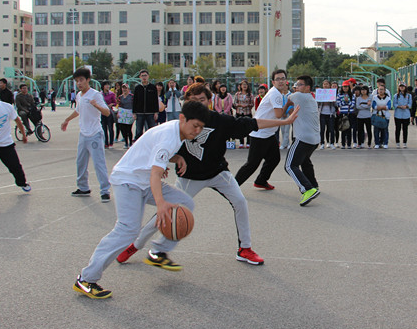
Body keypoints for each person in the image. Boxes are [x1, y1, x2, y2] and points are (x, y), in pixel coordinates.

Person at [117, 83, 299, 269]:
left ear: (210, 102)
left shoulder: (220, 120)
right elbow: (157, 147)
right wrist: (165, 163)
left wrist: (284, 122)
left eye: (202, 100)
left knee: (240, 202)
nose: (199, 104)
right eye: (194, 101)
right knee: (167, 211)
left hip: (218, 172)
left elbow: (254, 123)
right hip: (189, 176)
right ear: (186, 103)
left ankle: (245, 248)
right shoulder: (179, 125)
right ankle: (136, 245)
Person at [73, 100, 210, 299]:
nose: (197, 131)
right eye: (195, 125)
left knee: (186, 203)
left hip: (143, 180)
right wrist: (161, 203)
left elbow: (152, 152)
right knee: (127, 230)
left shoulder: (177, 131)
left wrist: (176, 158)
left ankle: (159, 251)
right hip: (129, 181)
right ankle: (86, 279)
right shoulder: (169, 137)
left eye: (201, 128)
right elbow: (156, 174)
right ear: (183, 118)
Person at [61, 67, 112, 203]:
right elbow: (78, 110)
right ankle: (83, 188)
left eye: (81, 80)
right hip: (83, 134)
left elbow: (107, 112)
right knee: (80, 162)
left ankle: (105, 191)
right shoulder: (79, 95)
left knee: (98, 163)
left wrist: (96, 106)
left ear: (88, 80)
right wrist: (67, 119)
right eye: (77, 81)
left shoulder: (95, 94)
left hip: (95, 134)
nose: (79, 83)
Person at [234, 70, 288, 189]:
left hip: (269, 133)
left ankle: (261, 181)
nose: (281, 81)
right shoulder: (275, 94)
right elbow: (279, 114)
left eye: (283, 78)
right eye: (278, 79)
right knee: (252, 164)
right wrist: (289, 105)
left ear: (286, 81)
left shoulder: (277, 93)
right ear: (273, 82)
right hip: (260, 133)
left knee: (274, 159)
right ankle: (233, 187)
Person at [283, 75, 321, 205]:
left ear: (307, 87)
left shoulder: (299, 96)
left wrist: (287, 104)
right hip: (314, 139)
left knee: (289, 165)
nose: (296, 87)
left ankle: (308, 189)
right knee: (305, 161)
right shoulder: (310, 98)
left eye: (299, 85)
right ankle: (314, 185)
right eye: (296, 84)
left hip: (303, 138)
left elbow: (287, 99)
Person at [132, 69, 159, 139]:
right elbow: (135, 100)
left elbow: (155, 100)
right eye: (142, 76)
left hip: (150, 113)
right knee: (138, 131)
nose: (144, 77)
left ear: (148, 76)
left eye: (145, 75)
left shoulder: (153, 87)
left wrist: (156, 112)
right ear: (140, 77)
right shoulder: (137, 88)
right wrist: (134, 112)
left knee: (151, 130)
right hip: (139, 113)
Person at [233, 80, 254, 149]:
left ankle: (248, 143)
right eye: (243, 84)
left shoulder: (250, 95)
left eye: (246, 84)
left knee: (248, 128)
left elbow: (252, 104)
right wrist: (239, 105)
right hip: (239, 113)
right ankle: (241, 143)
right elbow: (234, 103)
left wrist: (247, 105)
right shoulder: (237, 94)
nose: (244, 86)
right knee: (240, 128)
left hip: (247, 113)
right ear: (240, 86)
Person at [371, 82, 392, 149]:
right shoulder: (375, 98)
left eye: (382, 89)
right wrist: (382, 107)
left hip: (385, 116)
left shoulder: (388, 98)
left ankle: (385, 143)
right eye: (379, 89)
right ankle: (377, 143)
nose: (381, 91)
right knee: (376, 130)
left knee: (385, 130)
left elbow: (388, 107)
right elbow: (374, 106)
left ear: (385, 90)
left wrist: (380, 107)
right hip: (377, 116)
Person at [317, 79, 336, 149]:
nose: (325, 85)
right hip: (322, 113)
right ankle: (322, 143)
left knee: (331, 129)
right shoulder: (320, 92)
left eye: (327, 84)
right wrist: (319, 99)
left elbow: (336, 104)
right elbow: (317, 103)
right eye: (324, 84)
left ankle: (331, 143)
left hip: (330, 113)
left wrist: (334, 101)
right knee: (322, 129)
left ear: (329, 85)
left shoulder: (332, 92)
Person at [336, 80, 355, 149]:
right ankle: (343, 144)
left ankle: (349, 144)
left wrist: (348, 102)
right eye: (344, 87)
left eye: (346, 87)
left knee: (349, 129)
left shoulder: (352, 95)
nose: (345, 88)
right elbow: (338, 104)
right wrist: (345, 102)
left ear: (349, 87)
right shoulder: (339, 95)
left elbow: (353, 105)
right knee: (343, 129)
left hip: (350, 113)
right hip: (342, 113)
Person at [392, 83, 412, 149]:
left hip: (406, 114)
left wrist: (406, 106)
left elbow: (410, 104)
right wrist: (399, 106)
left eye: (403, 86)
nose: (402, 88)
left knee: (405, 129)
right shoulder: (396, 95)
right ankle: (397, 142)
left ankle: (404, 142)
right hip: (398, 114)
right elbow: (394, 104)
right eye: (400, 86)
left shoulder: (409, 95)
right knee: (398, 129)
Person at [116, 83, 135, 148]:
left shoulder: (132, 96)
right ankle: (126, 142)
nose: (124, 89)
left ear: (128, 89)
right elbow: (119, 105)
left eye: (126, 88)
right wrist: (118, 113)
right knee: (123, 129)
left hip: (129, 113)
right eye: (123, 88)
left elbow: (134, 105)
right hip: (122, 113)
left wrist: (134, 113)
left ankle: (130, 142)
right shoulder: (120, 97)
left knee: (128, 129)